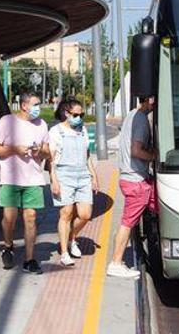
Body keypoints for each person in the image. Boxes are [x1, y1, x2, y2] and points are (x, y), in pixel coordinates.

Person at [0, 92, 50, 275]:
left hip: (34, 179)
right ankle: (8, 245)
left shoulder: (41, 125)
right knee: (10, 218)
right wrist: (15, 149)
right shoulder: (7, 122)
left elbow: (48, 152)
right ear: (24, 105)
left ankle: (29, 259)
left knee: (30, 218)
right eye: (36, 104)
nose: (39, 107)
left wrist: (40, 151)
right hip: (11, 179)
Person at [108, 95, 156, 279]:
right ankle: (116, 262)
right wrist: (154, 156)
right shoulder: (142, 120)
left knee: (144, 212)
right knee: (127, 223)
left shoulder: (132, 114)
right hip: (135, 180)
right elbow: (136, 151)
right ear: (150, 100)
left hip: (133, 178)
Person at [49, 97, 99, 266]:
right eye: (76, 114)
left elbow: (87, 156)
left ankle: (72, 238)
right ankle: (64, 252)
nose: (79, 117)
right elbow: (51, 160)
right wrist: (54, 181)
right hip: (64, 175)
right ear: (66, 113)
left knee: (85, 214)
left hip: (83, 175)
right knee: (66, 213)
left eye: (81, 114)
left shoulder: (83, 130)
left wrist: (94, 176)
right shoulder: (56, 131)